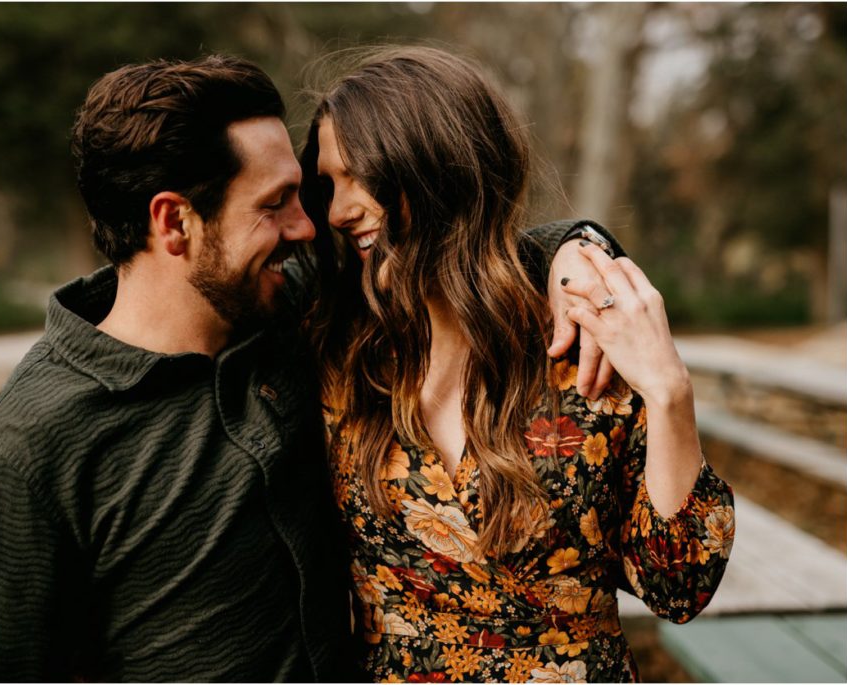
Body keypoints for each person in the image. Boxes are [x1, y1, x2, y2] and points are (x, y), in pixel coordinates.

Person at [0, 55, 619, 681]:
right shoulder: (20, 452)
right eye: (275, 204)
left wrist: (572, 251)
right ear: (173, 223)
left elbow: (455, 246)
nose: (308, 228)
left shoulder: (296, 311)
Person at [300, 47, 735, 683]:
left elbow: (678, 587)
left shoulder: (579, 348)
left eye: (357, 175)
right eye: (327, 185)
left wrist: (669, 391)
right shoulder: (338, 359)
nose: (338, 211)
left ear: (438, 165)